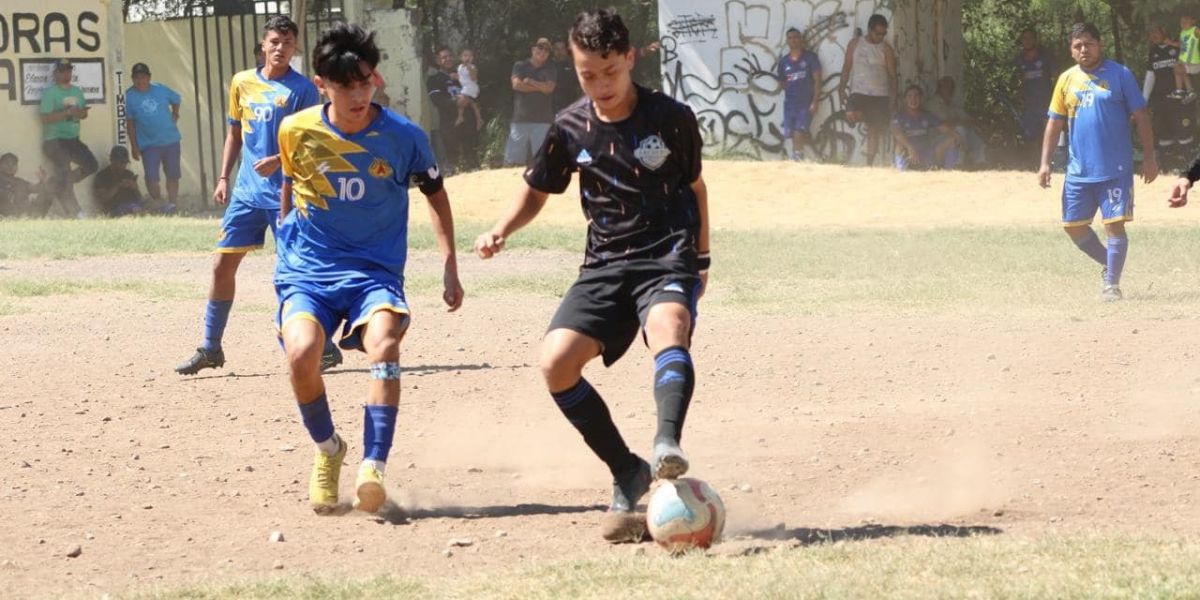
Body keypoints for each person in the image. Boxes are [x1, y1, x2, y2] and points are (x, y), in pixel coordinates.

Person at [475, 9, 709, 543]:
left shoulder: (671, 118)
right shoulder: (570, 126)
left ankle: (666, 444)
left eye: (609, 71)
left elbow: (695, 188)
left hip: (666, 253)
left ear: (629, 58)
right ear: (574, 67)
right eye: (587, 74)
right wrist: (501, 229)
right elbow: (537, 188)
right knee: (555, 363)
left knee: (669, 328)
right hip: (604, 264)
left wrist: (702, 260)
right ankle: (628, 469)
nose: (600, 84)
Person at [276, 23, 463, 514]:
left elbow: (437, 200)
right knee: (301, 356)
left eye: (365, 81)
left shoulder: (404, 138)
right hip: (309, 273)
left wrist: (449, 266)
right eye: (346, 86)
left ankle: (372, 467)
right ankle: (328, 450)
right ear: (322, 86)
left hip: (373, 273)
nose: (359, 94)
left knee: (384, 344)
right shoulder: (295, 130)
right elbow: (292, 183)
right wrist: (284, 230)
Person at [175, 15, 341, 375]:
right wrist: (223, 177)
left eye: (288, 43)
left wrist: (280, 158)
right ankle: (210, 347)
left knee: (290, 274)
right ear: (263, 45)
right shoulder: (242, 82)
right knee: (221, 266)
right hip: (247, 194)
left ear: (295, 49)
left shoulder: (302, 90)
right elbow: (234, 133)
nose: (281, 49)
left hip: (287, 194)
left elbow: (313, 140)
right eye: (275, 42)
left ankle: (324, 346)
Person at [1038, 23, 1157, 302]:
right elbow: (1054, 123)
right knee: (1073, 225)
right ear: (1071, 49)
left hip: (1115, 169)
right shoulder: (1066, 80)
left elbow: (1141, 116)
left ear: (1099, 44)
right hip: (1079, 171)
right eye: (1077, 45)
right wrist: (1044, 163)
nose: (1084, 50)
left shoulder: (1120, 74)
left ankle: (1111, 285)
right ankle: (1110, 262)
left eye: (1089, 44)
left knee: (1114, 224)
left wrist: (1150, 157)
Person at [39, 59, 97, 218]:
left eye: (69, 71)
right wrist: (66, 113)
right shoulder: (51, 93)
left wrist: (80, 113)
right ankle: (76, 212)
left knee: (91, 164)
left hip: (73, 140)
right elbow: (44, 119)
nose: (66, 74)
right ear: (56, 73)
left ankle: (61, 182)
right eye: (63, 71)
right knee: (64, 171)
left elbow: (84, 113)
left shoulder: (77, 91)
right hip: (54, 141)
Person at [838, 14, 897, 166]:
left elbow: (892, 76)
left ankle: (869, 165)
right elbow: (846, 67)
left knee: (874, 130)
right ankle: (867, 116)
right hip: (858, 92)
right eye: (878, 33)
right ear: (869, 30)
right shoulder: (855, 44)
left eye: (884, 34)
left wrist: (893, 98)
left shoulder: (886, 49)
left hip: (880, 95)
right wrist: (841, 87)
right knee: (850, 114)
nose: (881, 37)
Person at [125, 62, 182, 213]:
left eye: (143, 77)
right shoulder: (129, 96)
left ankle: (173, 205)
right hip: (148, 144)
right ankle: (160, 204)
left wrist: (175, 113)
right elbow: (129, 123)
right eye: (136, 77)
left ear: (149, 77)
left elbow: (176, 99)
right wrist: (134, 145)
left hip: (171, 140)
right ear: (132, 79)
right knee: (151, 177)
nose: (140, 81)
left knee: (173, 174)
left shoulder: (160, 89)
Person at [1145, 26, 1193, 169]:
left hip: (1179, 99)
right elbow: (1150, 77)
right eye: (1150, 33)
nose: (1153, 35)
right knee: (1162, 129)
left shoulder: (1177, 49)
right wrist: (1143, 101)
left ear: (1164, 32)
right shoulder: (1153, 53)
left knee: (1183, 128)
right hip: (1160, 100)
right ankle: (1167, 163)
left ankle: (1189, 160)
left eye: (1156, 31)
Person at [504, 37, 557, 166]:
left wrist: (530, 81)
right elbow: (516, 85)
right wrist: (540, 87)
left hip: (543, 120)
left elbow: (549, 89)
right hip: (520, 119)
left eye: (546, 50)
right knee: (512, 162)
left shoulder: (551, 68)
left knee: (543, 161)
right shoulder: (520, 65)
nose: (542, 51)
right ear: (533, 49)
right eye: (540, 47)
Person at [776, 27, 822, 161]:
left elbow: (818, 80)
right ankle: (799, 156)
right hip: (790, 104)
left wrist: (815, 101)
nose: (793, 40)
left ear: (801, 39)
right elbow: (782, 83)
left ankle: (797, 157)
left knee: (799, 130)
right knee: (791, 132)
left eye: (796, 37)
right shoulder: (784, 62)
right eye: (790, 38)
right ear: (787, 41)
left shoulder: (810, 58)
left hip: (805, 103)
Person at [891, 85, 961, 171]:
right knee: (899, 145)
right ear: (905, 99)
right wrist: (910, 147)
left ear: (921, 98)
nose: (913, 99)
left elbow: (942, 126)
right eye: (910, 96)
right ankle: (901, 171)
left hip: (926, 151)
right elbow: (897, 133)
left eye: (917, 96)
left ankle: (948, 172)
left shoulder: (926, 115)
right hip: (909, 153)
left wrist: (956, 134)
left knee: (952, 140)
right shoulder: (899, 116)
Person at [927, 76, 986, 168]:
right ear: (939, 88)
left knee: (973, 132)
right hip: (937, 137)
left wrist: (964, 122)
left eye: (951, 88)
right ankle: (958, 163)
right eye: (945, 87)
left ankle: (980, 163)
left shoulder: (952, 103)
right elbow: (943, 123)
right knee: (960, 129)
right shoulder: (933, 103)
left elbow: (970, 120)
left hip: (953, 134)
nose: (948, 90)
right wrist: (960, 122)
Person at [1015, 29, 1055, 149]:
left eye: (1030, 38)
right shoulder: (1019, 59)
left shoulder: (1045, 57)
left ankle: (1053, 161)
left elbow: (1055, 77)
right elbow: (1019, 79)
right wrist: (1018, 94)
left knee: (1049, 132)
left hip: (1047, 101)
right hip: (1030, 103)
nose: (1027, 41)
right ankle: (1032, 163)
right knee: (1029, 134)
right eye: (1024, 38)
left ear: (1035, 40)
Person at [426, 46, 465, 170]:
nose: (448, 59)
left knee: (470, 151)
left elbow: (473, 91)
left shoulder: (462, 75)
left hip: (467, 119)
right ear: (438, 61)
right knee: (451, 153)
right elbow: (437, 100)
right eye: (444, 57)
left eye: (450, 56)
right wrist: (455, 101)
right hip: (447, 120)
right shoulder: (434, 79)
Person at [91, 145, 148, 217]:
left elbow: (139, 197)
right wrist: (118, 186)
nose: (123, 165)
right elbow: (103, 199)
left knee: (151, 203)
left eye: (125, 163)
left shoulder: (128, 173)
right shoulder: (102, 176)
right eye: (121, 162)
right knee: (135, 209)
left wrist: (135, 188)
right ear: (112, 160)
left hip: (134, 204)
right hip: (115, 209)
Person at [0, 153, 51, 217]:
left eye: (14, 163)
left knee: (49, 193)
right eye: (7, 163)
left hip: (24, 220)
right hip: (4, 222)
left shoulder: (20, 182)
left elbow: (38, 189)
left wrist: (42, 180)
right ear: (0, 165)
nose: (11, 166)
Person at [455, 48, 484, 130]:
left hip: (471, 87)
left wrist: (470, 69)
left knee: (461, 99)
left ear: (473, 58)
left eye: (470, 56)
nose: (467, 58)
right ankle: (479, 119)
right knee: (473, 104)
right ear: (461, 58)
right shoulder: (459, 67)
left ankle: (460, 116)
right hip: (465, 87)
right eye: (465, 55)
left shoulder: (472, 67)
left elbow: (473, 78)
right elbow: (461, 77)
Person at [552, 39, 583, 112]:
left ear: (566, 49)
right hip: (552, 106)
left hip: (570, 104)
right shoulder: (549, 65)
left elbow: (580, 86)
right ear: (553, 50)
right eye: (556, 49)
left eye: (562, 48)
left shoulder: (574, 65)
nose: (559, 52)